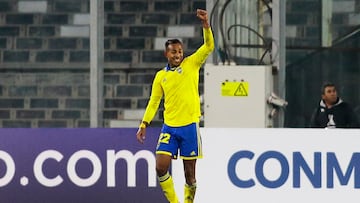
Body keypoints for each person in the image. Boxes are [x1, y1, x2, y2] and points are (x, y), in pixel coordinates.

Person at [136, 9, 214, 203]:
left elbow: (209, 46)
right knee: (160, 167)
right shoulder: (160, 77)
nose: (178, 54)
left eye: (180, 51)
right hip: (169, 126)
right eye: (173, 51)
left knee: (190, 175)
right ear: (166, 54)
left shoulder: (192, 63)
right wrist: (144, 123)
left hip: (189, 126)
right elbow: (154, 101)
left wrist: (206, 25)